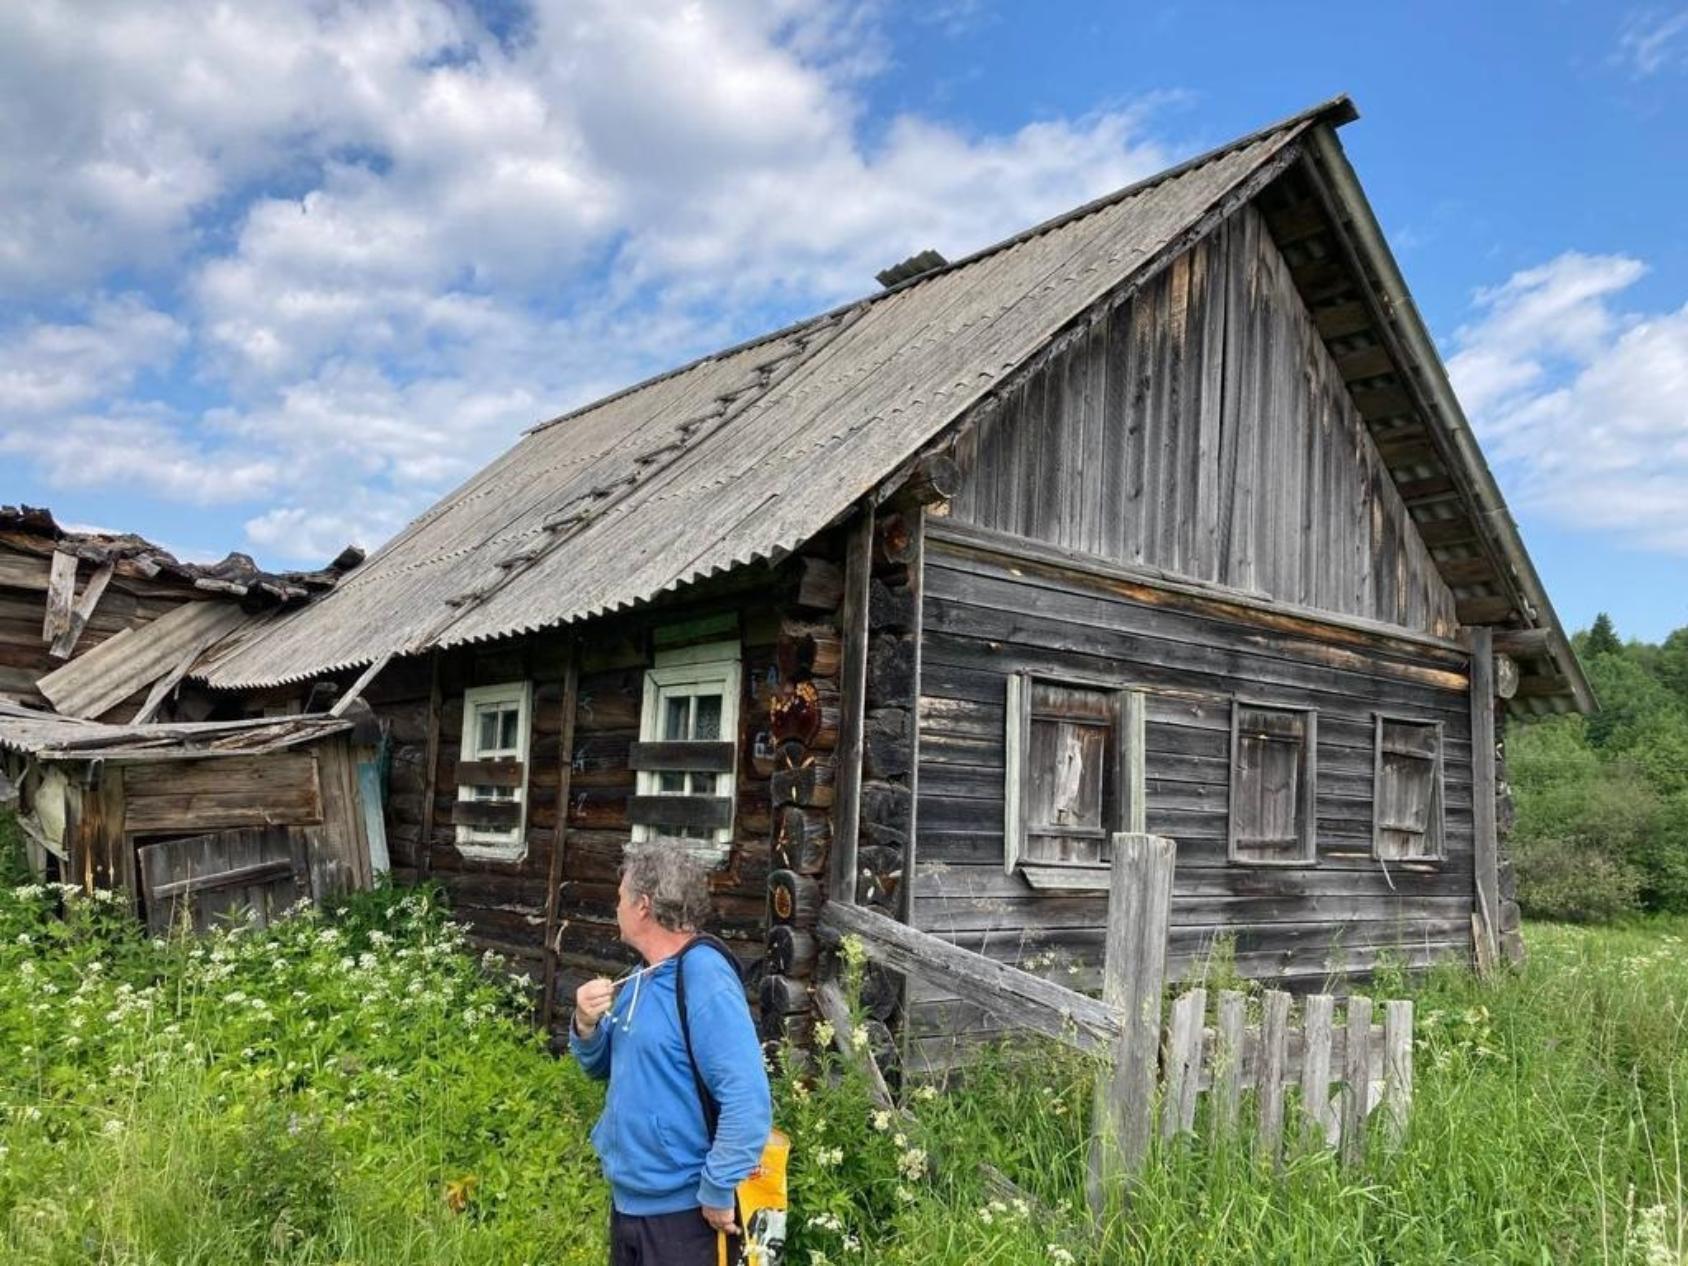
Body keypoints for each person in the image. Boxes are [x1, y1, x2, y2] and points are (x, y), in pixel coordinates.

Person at [571, 840, 773, 1266]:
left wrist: (719, 1188)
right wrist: (585, 1026)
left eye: (620, 897)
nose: (616, 907)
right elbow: (603, 1067)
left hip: (684, 1215)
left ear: (643, 905)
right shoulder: (639, 978)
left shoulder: (704, 977)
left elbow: (747, 1098)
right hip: (630, 1201)